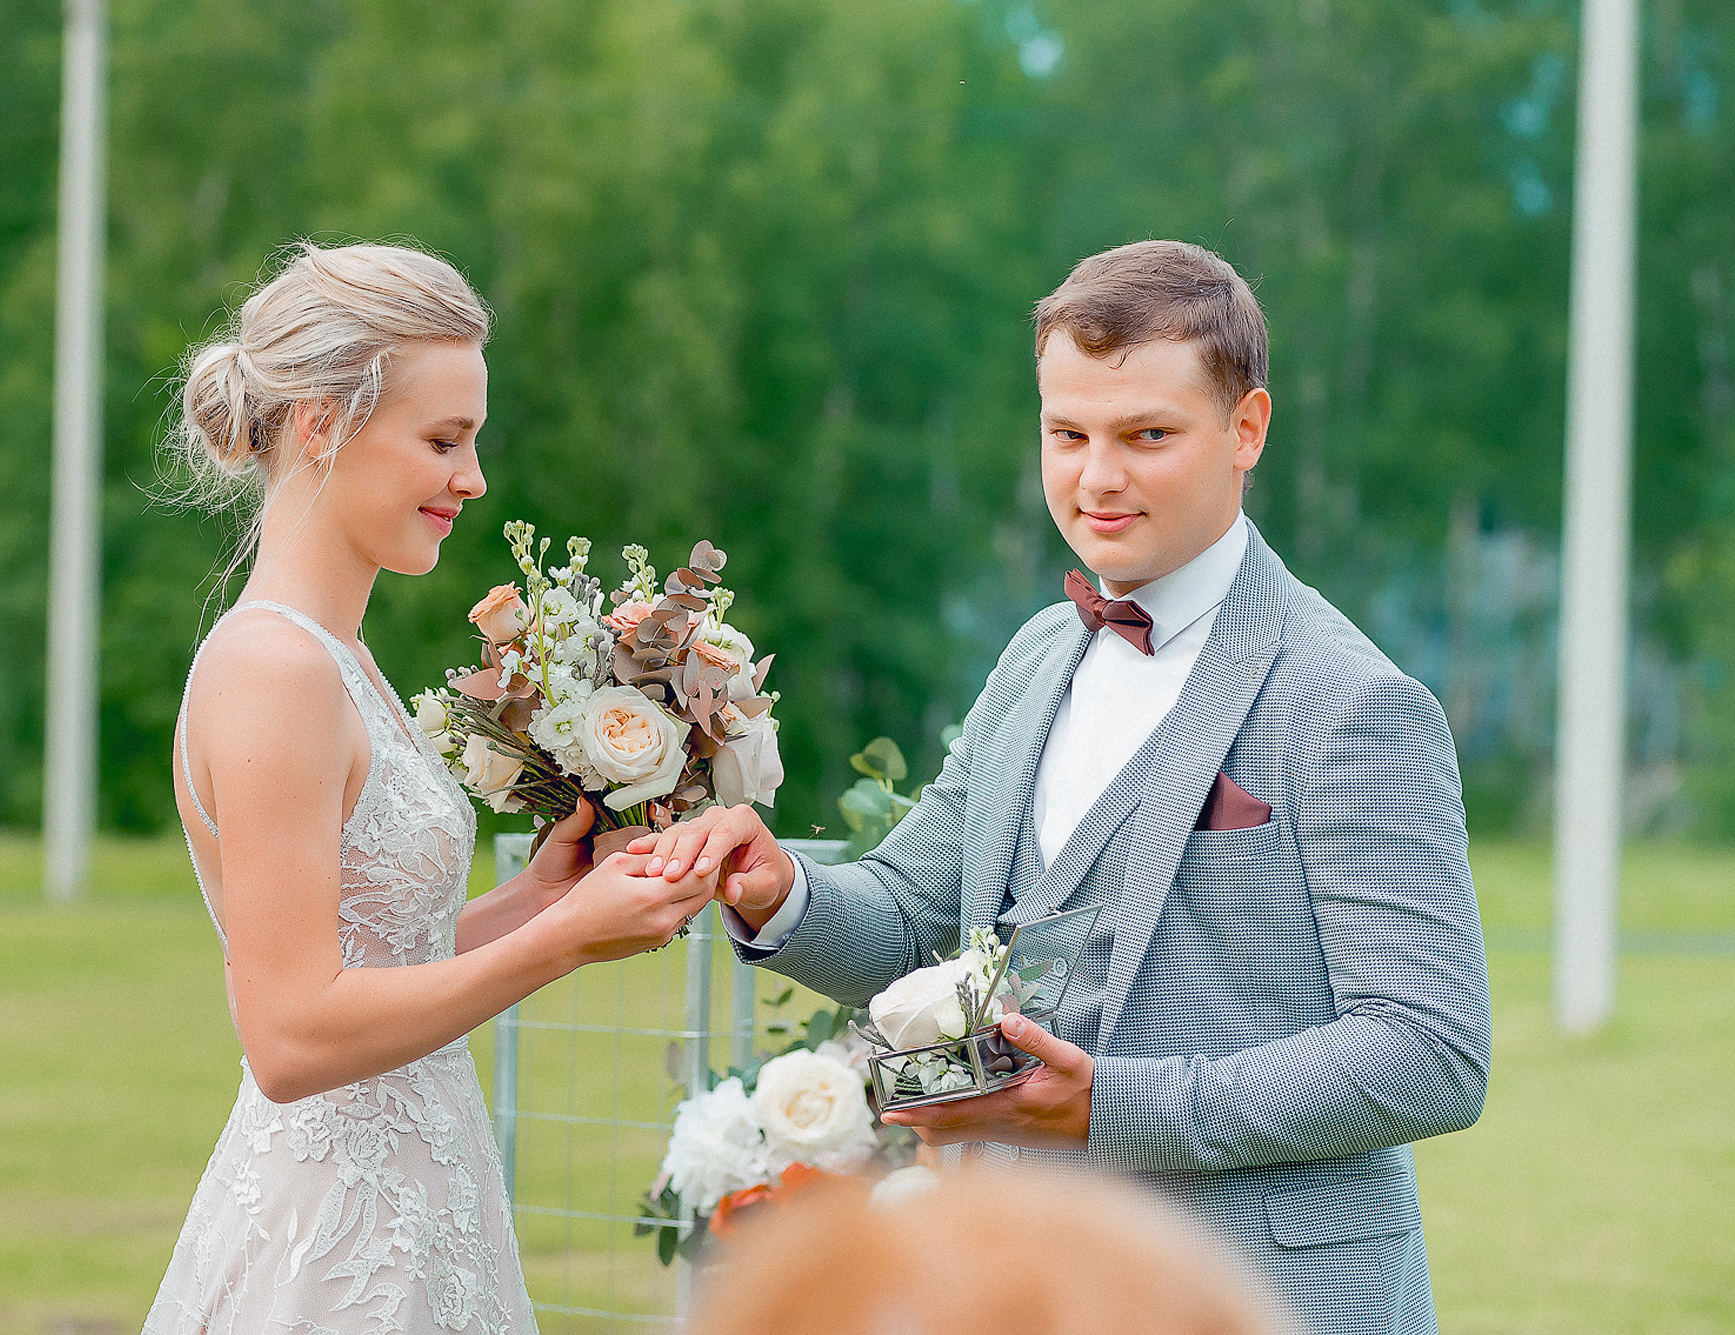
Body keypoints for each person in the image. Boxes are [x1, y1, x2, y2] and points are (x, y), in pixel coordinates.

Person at [635, 240, 1491, 1334]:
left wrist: (1107, 1109)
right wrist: (774, 889)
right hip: (1010, 1289)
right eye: (1066, 433)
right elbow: (909, 917)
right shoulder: (1040, 653)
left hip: (1262, 1298)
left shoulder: (1351, 702)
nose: (1096, 477)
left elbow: (1426, 1052)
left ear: (1246, 429)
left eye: (1145, 435)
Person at [142, 242, 711, 1335]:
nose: (473, 478)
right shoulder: (274, 670)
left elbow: (374, 961)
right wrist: (562, 943)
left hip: (419, 1201)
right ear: (319, 423)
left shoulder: (340, 661)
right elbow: (293, 1034)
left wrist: (538, 900)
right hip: (338, 1247)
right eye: (444, 440)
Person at [688, 1166, 1291, 1335]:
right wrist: (784, 893)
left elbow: (1389, 1045)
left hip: (1246, 1247)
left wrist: (1101, 1103)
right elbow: (913, 901)